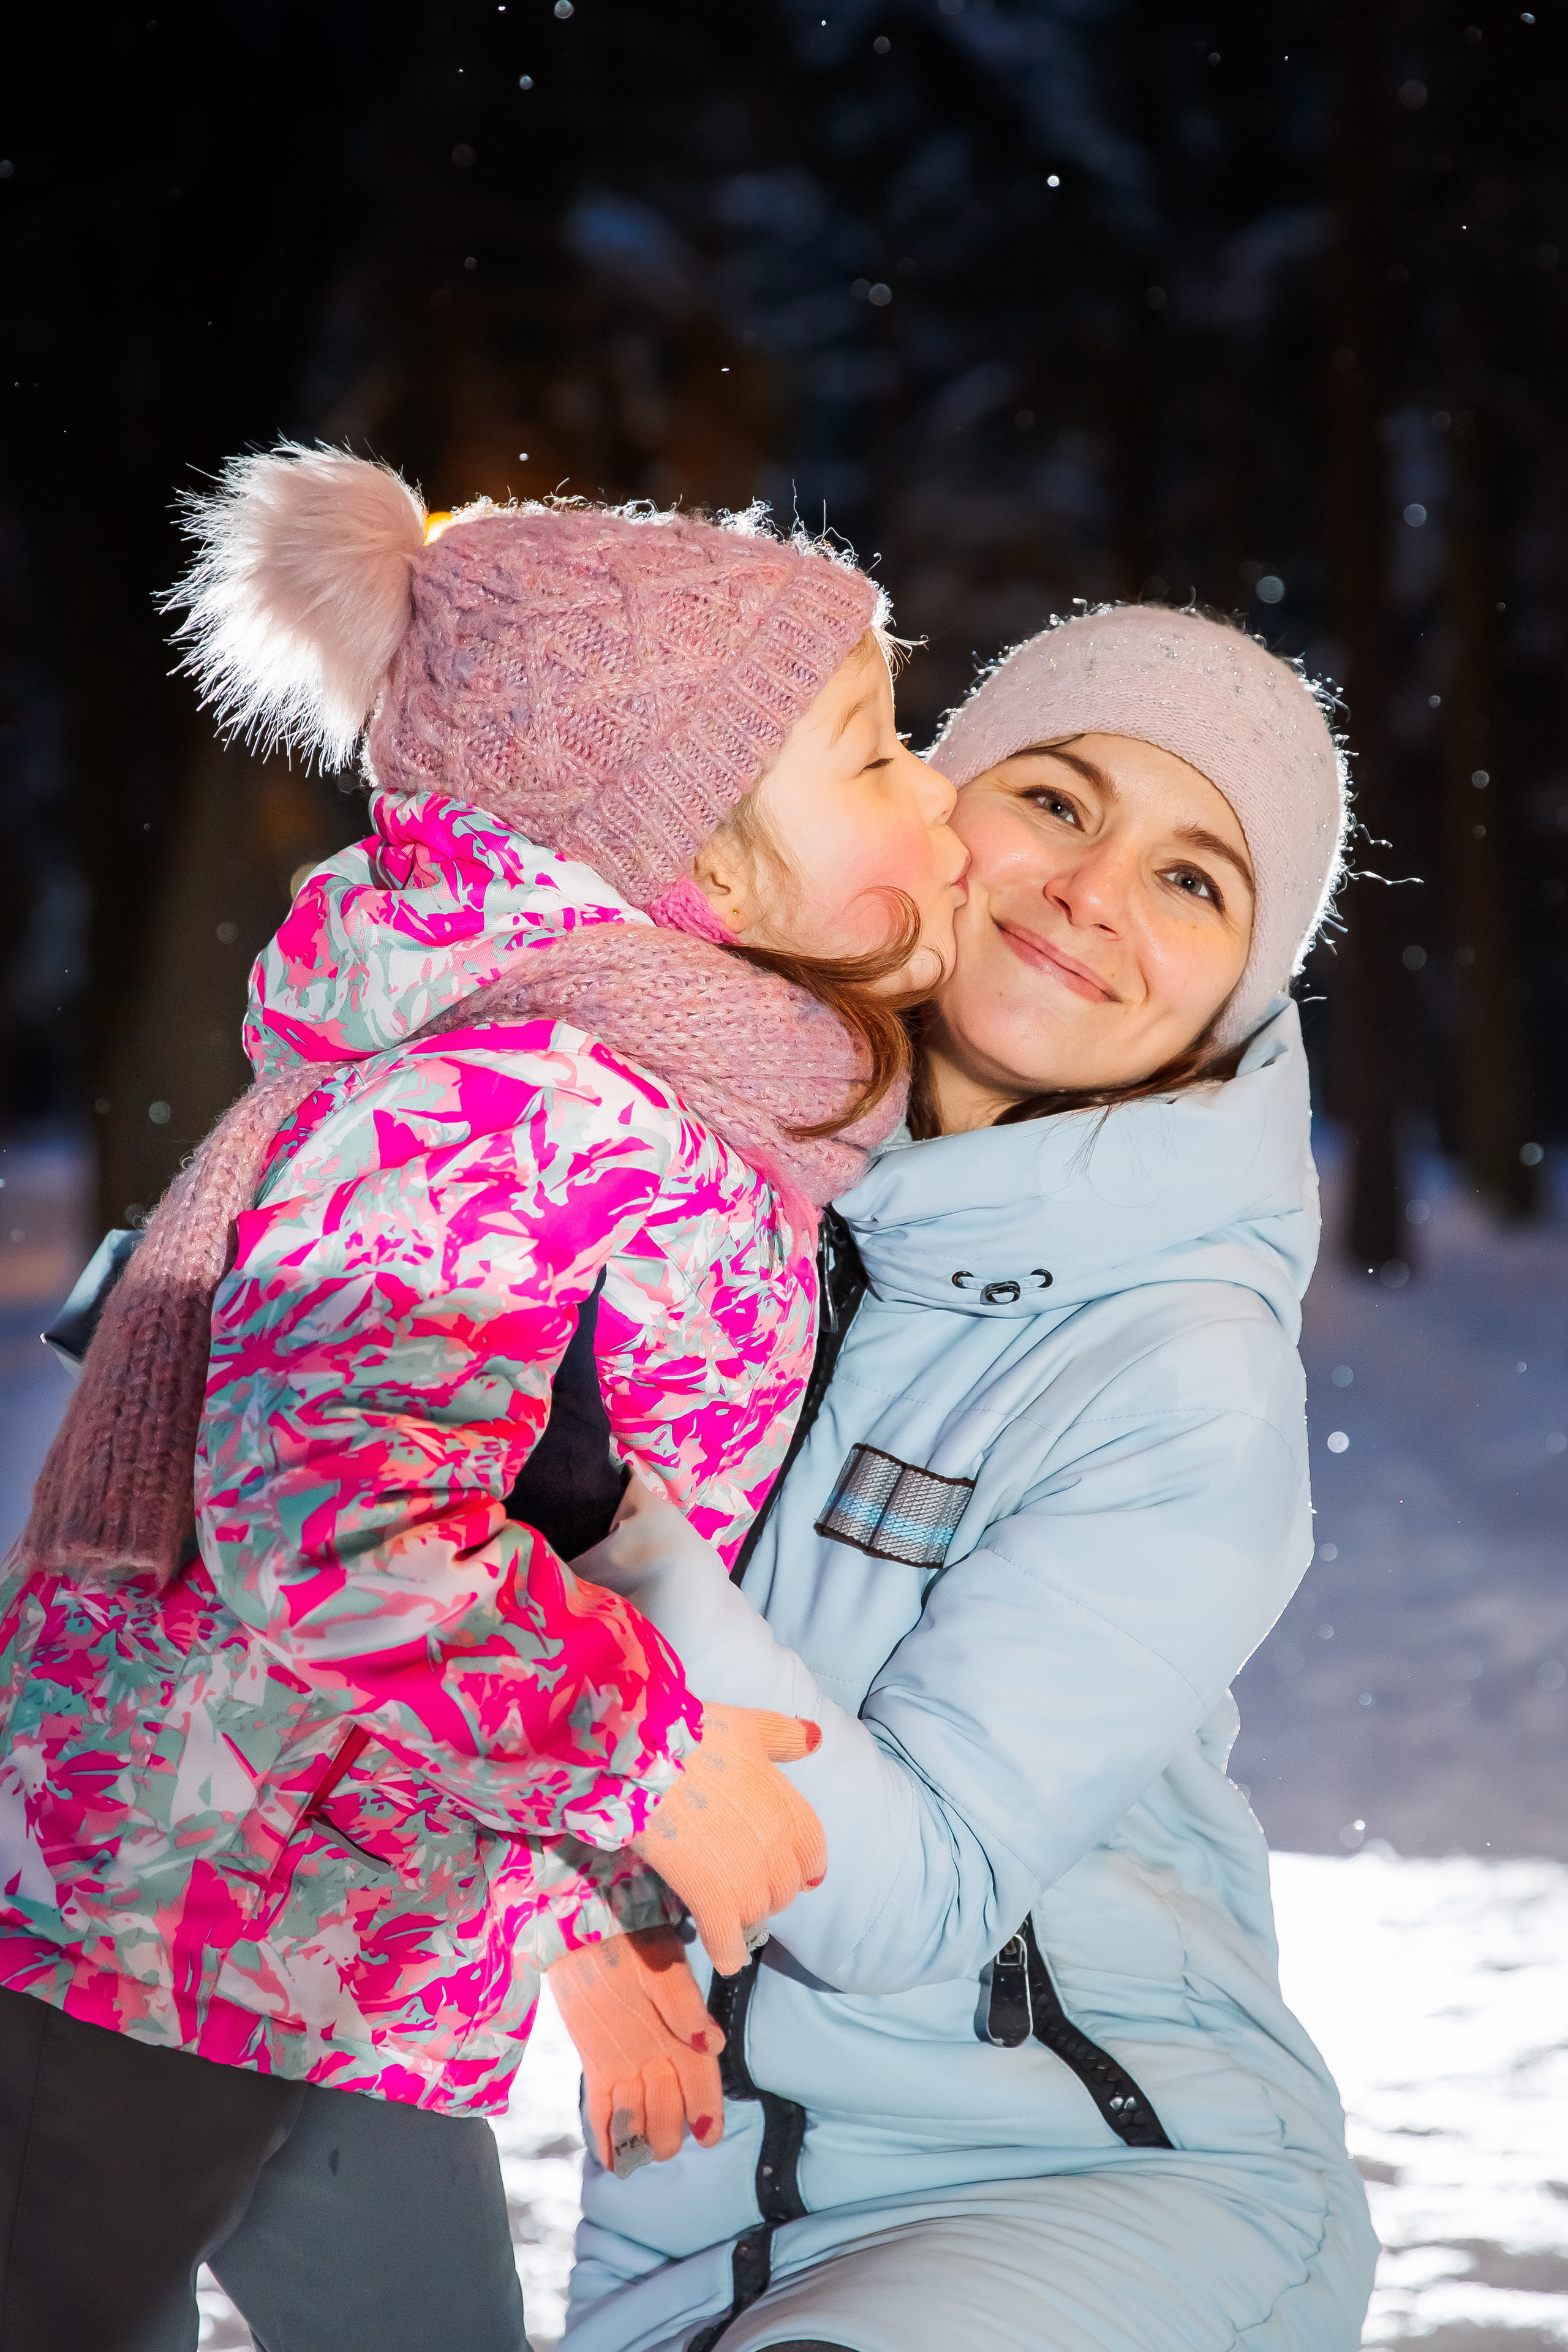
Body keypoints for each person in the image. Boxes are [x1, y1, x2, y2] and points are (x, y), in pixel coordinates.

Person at [0, 451, 968, 2352]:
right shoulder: (513, 1104)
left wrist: (582, 1910)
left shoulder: (660, 1100)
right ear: (686, 849)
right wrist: (653, 1774)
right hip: (155, 1935)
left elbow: (541, 1508)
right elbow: (339, 1524)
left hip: (355, 1938)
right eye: (874, 754)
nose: (938, 797)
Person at [567, 602, 1382, 2352]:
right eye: (1063, 800)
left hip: (1104, 2197)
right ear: (938, 809)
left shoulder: (1179, 1371)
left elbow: (917, 1894)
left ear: (1227, 1002)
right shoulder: (698, 1195)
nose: (1095, 891)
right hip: (681, 2240)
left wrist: (609, 1537)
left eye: (1195, 882)